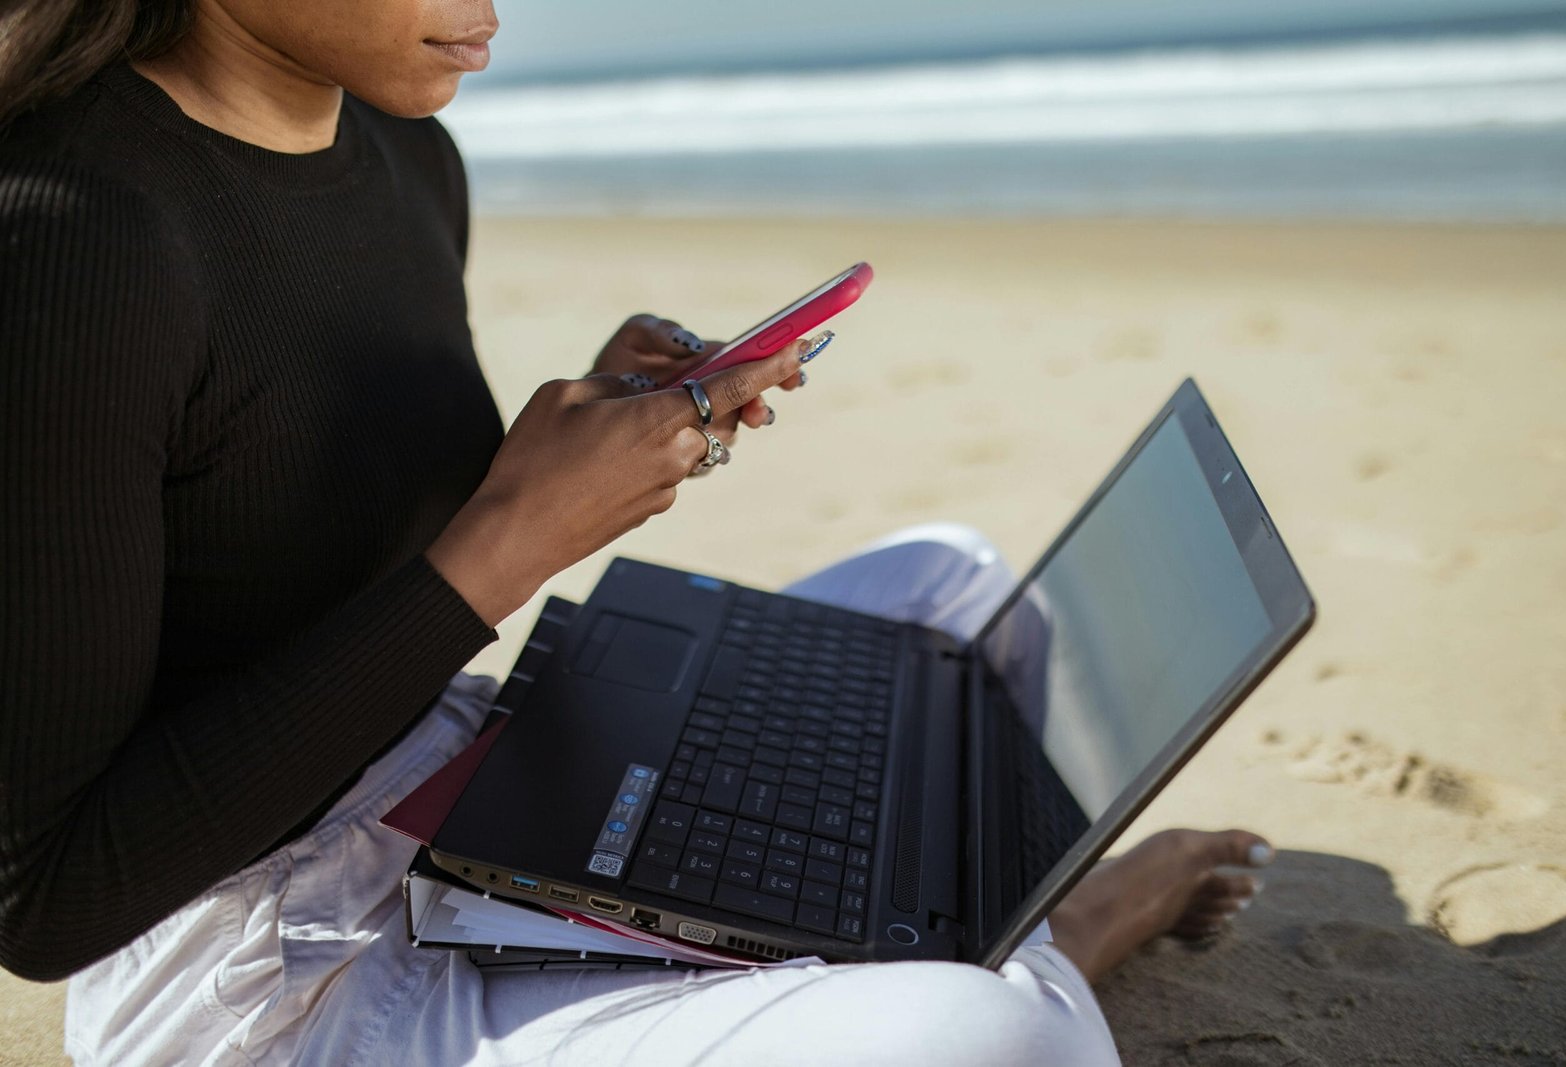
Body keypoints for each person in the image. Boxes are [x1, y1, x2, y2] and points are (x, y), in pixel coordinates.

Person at [0, 1, 1270, 1062]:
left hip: (453, 776)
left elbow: (289, 519)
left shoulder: (405, 150)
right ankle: (1065, 933)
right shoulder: (70, 236)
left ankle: (940, 924)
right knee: (988, 1038)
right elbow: (47, 896)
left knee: (963, 581)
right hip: (260, 960)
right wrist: (514, 535)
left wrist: (583, 438)